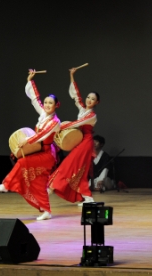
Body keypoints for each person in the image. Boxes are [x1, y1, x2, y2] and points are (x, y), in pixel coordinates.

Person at [0, 70, 61, 221]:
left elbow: (43, 134)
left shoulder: (55, 121)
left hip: (46, 155)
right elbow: (34, 99)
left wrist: (27, 141)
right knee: (38, 183)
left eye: (50, 103)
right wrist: (30, 80)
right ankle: (46, 211)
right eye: (45, 102)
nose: (46, 105)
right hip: (39, 152)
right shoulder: (44, 115)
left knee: (23, 162)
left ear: (56, 105)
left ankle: (7, 184)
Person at [48, 67, 99, 206]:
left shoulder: (91, 115)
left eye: (93, 99)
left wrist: (58, 127)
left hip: (86, 142)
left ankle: (52, 187)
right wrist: (71, 75)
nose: (89, 100)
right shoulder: (83, 109)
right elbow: (76, 95)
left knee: (69, 164)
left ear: (96, 103)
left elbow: (77, 123)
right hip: (81, 141)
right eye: (88, 97)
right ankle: (87, 198)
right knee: (80, 171)